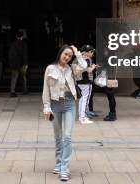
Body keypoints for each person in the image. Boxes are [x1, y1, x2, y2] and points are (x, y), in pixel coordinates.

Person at [42, 44, 87, 182]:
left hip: (69, 104)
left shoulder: (73, 69)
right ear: (60, 53)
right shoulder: (50, 68)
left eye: (69, 55)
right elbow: (46, 89)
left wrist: (77, 53)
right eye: (65, 54)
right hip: (55, 105)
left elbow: (84, 66)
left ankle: (64, 169)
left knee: (67, 137)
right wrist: (46, 107)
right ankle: (58, 163)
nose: (67, 57)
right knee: (58, 136)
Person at [76, 45, 99, 124]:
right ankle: (83, 118)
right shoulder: (87, 59)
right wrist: (93, 67)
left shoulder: (79, 58)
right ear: (88, 52)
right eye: (92, 52)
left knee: (82, 99)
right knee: (86, 100)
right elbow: (89, 70)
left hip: (79, 81)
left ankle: (81, 116)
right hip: (86, 81)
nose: (92, 53)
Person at [9, 30, 29, 97]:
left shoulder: (13, 44)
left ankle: (12, 91)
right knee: (23, 77)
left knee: (14, 78)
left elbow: (10, 54)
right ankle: (24, 90)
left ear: (16, 36)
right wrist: (26, 63)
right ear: (22, 36)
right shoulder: (24, 44)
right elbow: (25, 55)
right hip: (22, 63)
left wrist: (11, 63)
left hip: (14, 64)